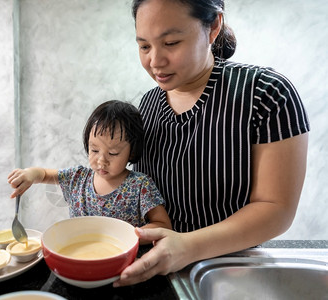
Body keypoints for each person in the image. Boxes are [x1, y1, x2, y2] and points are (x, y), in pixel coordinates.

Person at [113, 0, 310, 287]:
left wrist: (188, 246)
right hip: (153, 269)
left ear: (213, 26)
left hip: (231, 274)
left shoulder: (266, 94)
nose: (155, 61)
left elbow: (275, 208)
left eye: (171, 42)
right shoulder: (148, 105)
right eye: (144, 46)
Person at [8, 100, 172, 244]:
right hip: (80, 256)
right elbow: (45, 174)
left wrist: (129, 237)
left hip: (122, 261)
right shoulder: (77, 178)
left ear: (132, 152)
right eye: (94, 150)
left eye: (113, 153)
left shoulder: (139, 185)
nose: (101, 160)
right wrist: (30, 174)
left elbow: (162, 225)